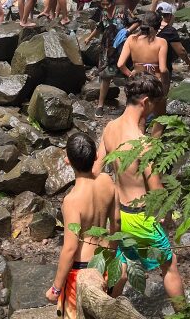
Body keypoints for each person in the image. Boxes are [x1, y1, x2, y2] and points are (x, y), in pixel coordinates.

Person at [94, 75, 185, 308]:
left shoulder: (110, 128)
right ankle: (185, 314)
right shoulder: (143, 145)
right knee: (169, 265)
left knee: (122, 266)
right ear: (145, 102)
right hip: (141, 217)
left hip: (119, 216)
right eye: (155, 105)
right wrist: (168, 216)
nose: (155, 110)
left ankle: (101, 308)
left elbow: (96, 169)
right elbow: (156, 191)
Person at [45, 133, 117, 319]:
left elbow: (70, 248)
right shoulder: (108, 182)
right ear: (95, 157)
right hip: (105, 261)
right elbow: (116, 222)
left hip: (82, 269)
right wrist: (113, 252)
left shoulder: (72, 201)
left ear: (68, 161)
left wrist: (56, 288)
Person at [83, 0, 138, 117]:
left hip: (122, 48)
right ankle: (100, 105)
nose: (105, 6)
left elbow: (136, 22)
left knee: (128, 75)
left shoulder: (123, 10)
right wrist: (89, 38)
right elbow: (100, 27)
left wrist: (127, 31)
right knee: (106, 76)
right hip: (107, 49)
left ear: (113, 1)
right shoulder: (103, 13)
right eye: (103, 4)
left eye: (107, 4)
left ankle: (130, 105)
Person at [117, 12, 168, 137]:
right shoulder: (161, 42)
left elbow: (120, 64)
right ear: (157, 27)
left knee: (140, 117)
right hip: (154, 82)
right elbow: (163, 69)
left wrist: (131, 75)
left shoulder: (131, 39)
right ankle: (153, 148)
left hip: (137, 81)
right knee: (159, 118)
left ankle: (138, 146)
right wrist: (165, 85)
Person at [156, 2, 190, 82]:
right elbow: (181, 51)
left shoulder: (149, 26)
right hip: (162, 67)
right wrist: (189, 63)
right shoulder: (169, 31)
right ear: (169, 16)